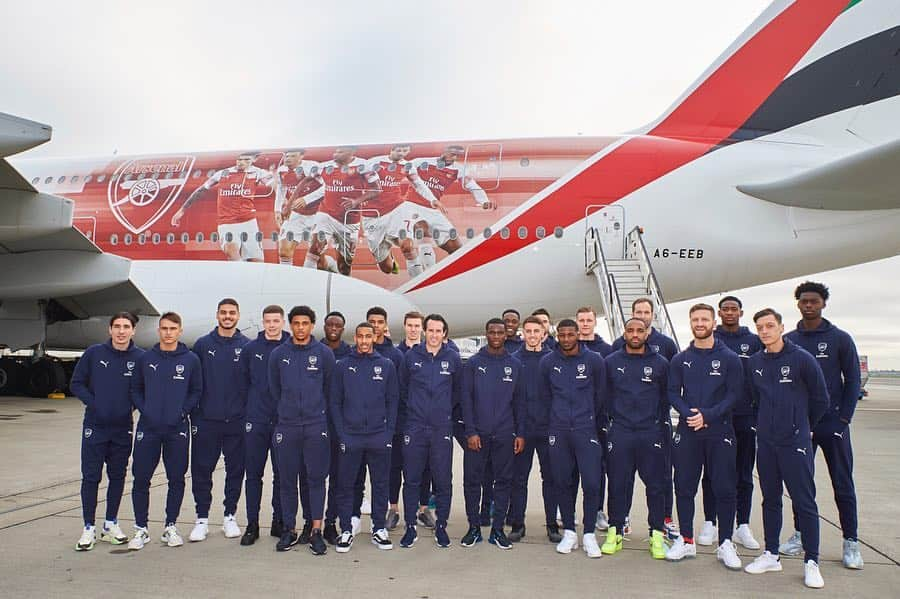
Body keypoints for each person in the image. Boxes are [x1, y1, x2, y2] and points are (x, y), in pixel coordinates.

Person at [781, 281, 863, 569]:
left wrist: (844, 419)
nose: (809, 305)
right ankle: (801, 535)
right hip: (801, 426)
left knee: (843, 483)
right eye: (804, 301)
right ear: (798, 303)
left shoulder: (840, 339)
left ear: (823, 303)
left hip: (833, 425)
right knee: (801, 484)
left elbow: (852, 381)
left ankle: (851, 542)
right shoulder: (789, 339)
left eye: (814, 301)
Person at [745, 308, 828, 589]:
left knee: (804, 501)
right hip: (767, 443)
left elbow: (821, 399)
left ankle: (812, 562)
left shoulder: (801, 360)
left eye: (770, 325)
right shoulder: (755, 362)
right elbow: (754, 399)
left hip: (795, 443)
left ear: (781, 327)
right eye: (760, 327)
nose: (765, 331)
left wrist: (801, 426)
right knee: (770, 499)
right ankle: (771, 554)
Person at [664, 304, 743, 570]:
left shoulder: (730, 358)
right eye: (695, 319)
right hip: (688, 432)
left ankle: (726, 543)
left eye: (704, 319)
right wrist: (689, 414)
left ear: (713, 322)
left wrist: (707, 416)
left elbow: (734, 394)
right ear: (690, 322)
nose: (700, 323)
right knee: (684, 487)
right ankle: (686, 540)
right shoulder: (680, 359)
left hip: (719, 432)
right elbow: (673, 392)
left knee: (724, 488)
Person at [71, 312, 144, 551]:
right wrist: (95, 404)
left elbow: (143, 390)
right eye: (117, 327)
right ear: (109, 330)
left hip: (122, 428)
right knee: (91, 476)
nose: (121, 331)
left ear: (134, 331)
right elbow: (76, 383)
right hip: (95, 426)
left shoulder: (140, 358)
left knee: (117, 476)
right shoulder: (94, 353)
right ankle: (88, 528)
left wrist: (133, 407)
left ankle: (110, 524)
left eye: (126, 327)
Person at [128, 312, 202, 550]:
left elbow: (196, 391)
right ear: (159, 331)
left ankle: (171, 526)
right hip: (148, 428)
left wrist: (182, 412)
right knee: (141, 478)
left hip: (177, 429)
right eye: (164, 328)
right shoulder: (145, 358)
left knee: (176, 478)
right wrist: (145, 410)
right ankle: (141, 529)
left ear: (180, 331)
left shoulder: (191, 360)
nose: (168, 333)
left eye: (172, 328)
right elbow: (136, 389)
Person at [268, 305, 336, 555]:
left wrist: (316, 414)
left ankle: (315, 530)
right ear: (290, 325)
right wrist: (286, 411)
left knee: (316, 479)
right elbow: (274, 389)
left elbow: (330, 390)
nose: (300, 328)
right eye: (296, 323)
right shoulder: (278, 354)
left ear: (312, 325)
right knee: (287, 481)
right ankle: (289, 529)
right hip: (286, 426)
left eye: (305, 323)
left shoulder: (324, 354)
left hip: (315, 426)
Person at [600, 317, 669, 559]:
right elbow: (603, 396)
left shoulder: (660, 363)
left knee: (656, 486)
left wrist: (656, 424)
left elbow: (665, 398)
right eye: (631, 330)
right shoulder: (611, 362)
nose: (635, 334)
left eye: (640, 330)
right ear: (624, 333)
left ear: (647, 333)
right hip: (620, 431)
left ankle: (657, 536)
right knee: (618, 484)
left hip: (650, 432)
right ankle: (614, 532)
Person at [330, 322, 399, 552]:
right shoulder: (343, 366)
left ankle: (379, 528)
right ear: (355, 338)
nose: (364, 340)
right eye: (360, 336)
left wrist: (388, 434)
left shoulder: (386, 365)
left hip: (379, 437)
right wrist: (342, 434)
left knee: (380, 484)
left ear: (374, 337)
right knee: (346, 485)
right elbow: (335, 402)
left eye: (368, 336)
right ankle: (346, 530)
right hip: (351, 437)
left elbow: (393, 402)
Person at [540, 319, 606, 557]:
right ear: (557, 336)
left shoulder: (594, 361)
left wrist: (588, 419)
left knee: (591, 483)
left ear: (578, 334)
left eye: (570, 334)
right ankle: (569, 531)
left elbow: (600, 396)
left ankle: (588, 533)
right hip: (558, 431)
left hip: (585, 430)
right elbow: (544, 397)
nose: (566, 339)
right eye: (562, 335)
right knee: (563, 483)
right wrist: (555, 423)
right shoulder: (547, 362)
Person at [613, 297, 678, 537]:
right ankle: (621, 520)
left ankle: (664, 521)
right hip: (624, 427)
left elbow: (670, 386)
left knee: (660, 478)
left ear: (652, 315)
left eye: (646, 312)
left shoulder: (666, 346)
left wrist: (659, 416)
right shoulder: (617, 349)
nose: (641, 316)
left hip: (654, 426)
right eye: (637, 312)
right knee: (623, 477)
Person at [397, 314, 462, 548]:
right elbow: (403, 390)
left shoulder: (453, 359)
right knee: (412, 479)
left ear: (445, 333)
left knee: (443, 479)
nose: (434, 335)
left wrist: (442, 412)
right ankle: (410, 527)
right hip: (415, 427)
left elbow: (457, 394)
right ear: (425, 332)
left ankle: (441, 526)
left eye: (439, 331)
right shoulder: (410, 357)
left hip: (441, 428)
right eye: (430, 330)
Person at [460, 318, 525, 550]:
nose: (496, 336)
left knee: (504, 481)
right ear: (486, 334)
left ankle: (497, 529)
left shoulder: (514, 364)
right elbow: (466, 401)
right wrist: (470, 432)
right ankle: (474, 527)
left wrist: (520, 434)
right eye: (492, 332)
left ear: (505, 335)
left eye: (500, 332)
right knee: (472, 481)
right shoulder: (474, 363)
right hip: (477, 435)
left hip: (505, 434)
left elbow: (519, 402)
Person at [188, 298, 250, 542]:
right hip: (207, 421)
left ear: (238, 316)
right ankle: (201, 519)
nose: (227, 316)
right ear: (217, 315)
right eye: (223, 313)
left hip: (236, 421)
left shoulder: (246, 346)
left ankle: (229, 516)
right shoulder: (203, 345)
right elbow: (193, 383)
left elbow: (250, 384)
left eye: (232, 313)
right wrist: (196, 413)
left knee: (236, 471)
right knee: (202, 471)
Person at [704, 295, 763, 550]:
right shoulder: (709, 339)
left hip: (744, 416)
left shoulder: (753, 341)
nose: (729, 313)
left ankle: (742, 525)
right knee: (713, 473)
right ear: (719, 313)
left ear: (741, 312)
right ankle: (710, 521)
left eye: (733, 309)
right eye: (725, 309)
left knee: (743, 473)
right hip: (715, 417)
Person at [237, 305, 290, 546]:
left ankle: (279, 521)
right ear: (263, 322)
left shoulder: (291, 347)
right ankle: (252, 524)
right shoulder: (250, 349)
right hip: (256, 421)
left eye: (276, 320)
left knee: (282, 475)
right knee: (254, 475)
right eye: (267, 320)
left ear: (282, 322)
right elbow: (242, 384)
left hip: (282, 423)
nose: (271, 325)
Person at [294, 146, 382, 275]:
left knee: (344, 266)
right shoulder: (324, 166)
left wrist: (356, 201)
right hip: (326, 214)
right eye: (335, 151)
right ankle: (306, 281)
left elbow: (376, 189)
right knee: (315, 247)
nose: (335, 154)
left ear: (352, 153)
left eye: (340, 152)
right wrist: (293, 200)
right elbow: (306, 180)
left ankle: (338, 277)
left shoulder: (363, 166)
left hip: (349, 220)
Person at [171, 151, 274, 262]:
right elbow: (201, 190)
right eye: (239, 159)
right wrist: (181, 211)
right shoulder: (223, 173)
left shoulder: (258, 173)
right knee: (232, 253)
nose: (241, 163)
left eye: (246, 160)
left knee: (256, 261)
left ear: (254, 160)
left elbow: (274, 185)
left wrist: (285, 203)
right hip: (227, 222)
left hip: (248, 222)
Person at [508, 316, 558, 543]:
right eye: (528, 331)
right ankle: (518, 524)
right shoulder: (514, 360)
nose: (532, 335)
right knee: (519, 479)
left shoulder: (553, 359)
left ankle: (552, 526)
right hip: (522, 432)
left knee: (551, 479)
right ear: (523, 334)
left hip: (547, 429)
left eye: (536, 331)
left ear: (543, 334)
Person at [364, 144, 441, 276]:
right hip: (372, 215)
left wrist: (432, 199)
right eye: (398, 150)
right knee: (387, 268)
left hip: (397, 209)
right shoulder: (374, 162)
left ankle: (419, 280)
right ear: (391, 150)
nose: (401, 153)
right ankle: (390, 257)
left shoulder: (408, 166)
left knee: (407, 246)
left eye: (405, 151)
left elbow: (418, 183)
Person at [575, 305, 613, 531]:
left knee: (598, 469)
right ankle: (567, 510)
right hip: (572, 420)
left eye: (589, 320)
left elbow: (607, 386)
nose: (585, 323)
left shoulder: (605, 350)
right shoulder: (568, 348)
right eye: (582, 320)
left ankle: (598, 510)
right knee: (571, 468)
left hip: (597, 420)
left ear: (595, 322)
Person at [320, 311, 352, 545]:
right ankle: (312, 523)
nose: (333, 327)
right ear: (324, 326)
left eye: (338, 325)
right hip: (315, 424)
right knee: (313, 478)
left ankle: (331, 522)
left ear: (343, 328)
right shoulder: (315, 350)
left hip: (339, 426)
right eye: (330, 324)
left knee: (338, 479)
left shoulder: (349, 355)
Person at [276, 149, 321, 266]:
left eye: (292, 156)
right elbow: (281, 189)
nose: (288, 159)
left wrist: (306, 199)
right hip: (295, 215)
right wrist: (277, 210)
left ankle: (329, 266)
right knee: (284, 252)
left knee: (317, 257)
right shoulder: (281, 171)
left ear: (301, 157)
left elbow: (326, 187)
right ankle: (285, 279)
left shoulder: (312, 167)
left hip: (318, 214)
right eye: (286, 156)